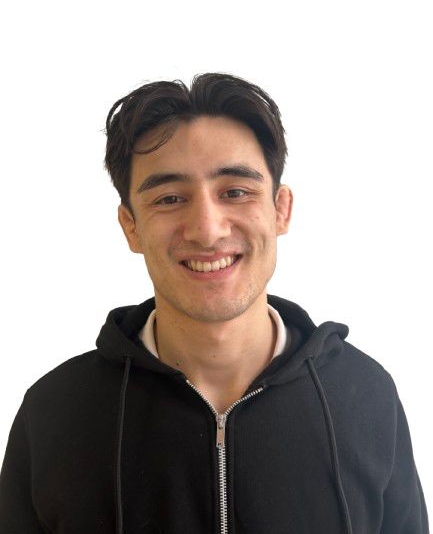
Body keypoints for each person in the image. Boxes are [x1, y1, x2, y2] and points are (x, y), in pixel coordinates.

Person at [0, 73, 428, 534]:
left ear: (280, 209)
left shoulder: (366, 395)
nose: (207, 230)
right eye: (169, 198)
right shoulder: (55, 412)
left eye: (235, 192)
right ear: (131, 226)